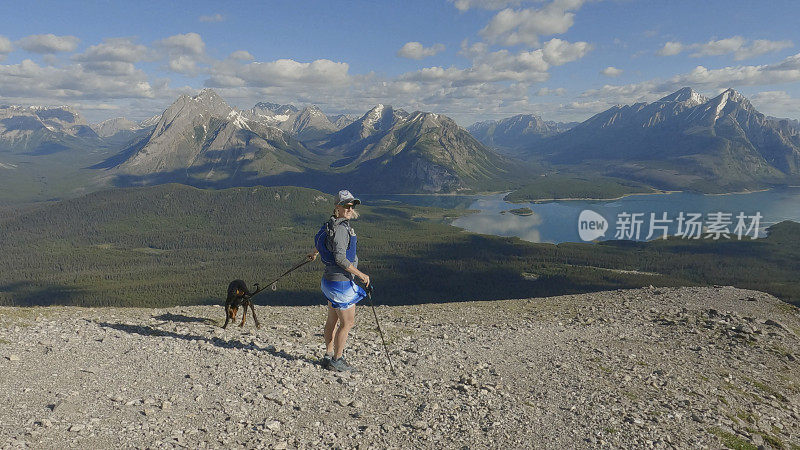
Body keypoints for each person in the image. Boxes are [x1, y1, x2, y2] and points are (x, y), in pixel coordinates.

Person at [307, 189, 370, 372]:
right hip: (341, 283)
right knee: (347, 323)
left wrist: (314, 253)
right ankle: (337, 359)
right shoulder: (342, 229)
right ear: (337, 207)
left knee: (332, 320)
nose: (350, 209)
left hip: (328, 282)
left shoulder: (331, 224)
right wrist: (361, 275)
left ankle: (328, 355)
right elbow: (341, 259)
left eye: (352, 205)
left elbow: (322, 241)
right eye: (346, 206)